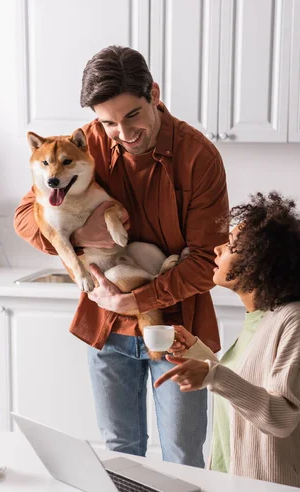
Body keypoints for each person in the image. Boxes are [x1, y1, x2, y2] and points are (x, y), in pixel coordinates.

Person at [14, 45, 228, 467]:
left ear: (154, 93)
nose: (123, 133)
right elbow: (25, 215)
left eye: (132, 116)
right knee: (120, 455)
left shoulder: (198, 157)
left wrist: (137, 301)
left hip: (177, 328)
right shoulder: (85, 141)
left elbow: (207, 262)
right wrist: (82, 239)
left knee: (183, 457)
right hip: (106, 326)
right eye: (108, 122)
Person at [155, 192, 300, 491]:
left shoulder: (293, 320)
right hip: (234, 482)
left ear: (254, 264)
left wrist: (212, 375)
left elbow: (281, 416)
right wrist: (197, 353)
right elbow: (246, 384)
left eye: (230, 246)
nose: (217, 248)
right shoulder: (260, 316)